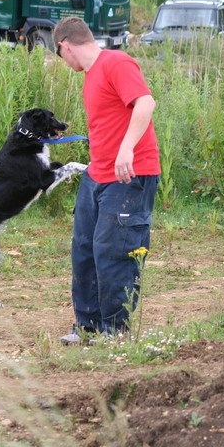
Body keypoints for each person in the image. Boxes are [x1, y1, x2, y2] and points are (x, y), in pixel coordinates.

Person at [53, 17, 161, 343]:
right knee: (84, 249)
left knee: (113, 251)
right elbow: (110, 122)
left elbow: (145, 102)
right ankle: (88, 327)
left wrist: (126, 148)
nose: (63, 62)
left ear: (64, 46)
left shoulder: (116, 62)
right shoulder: (91, 76)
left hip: (130, 174)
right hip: (98, 174)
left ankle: (116, 332)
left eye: (60, 55)